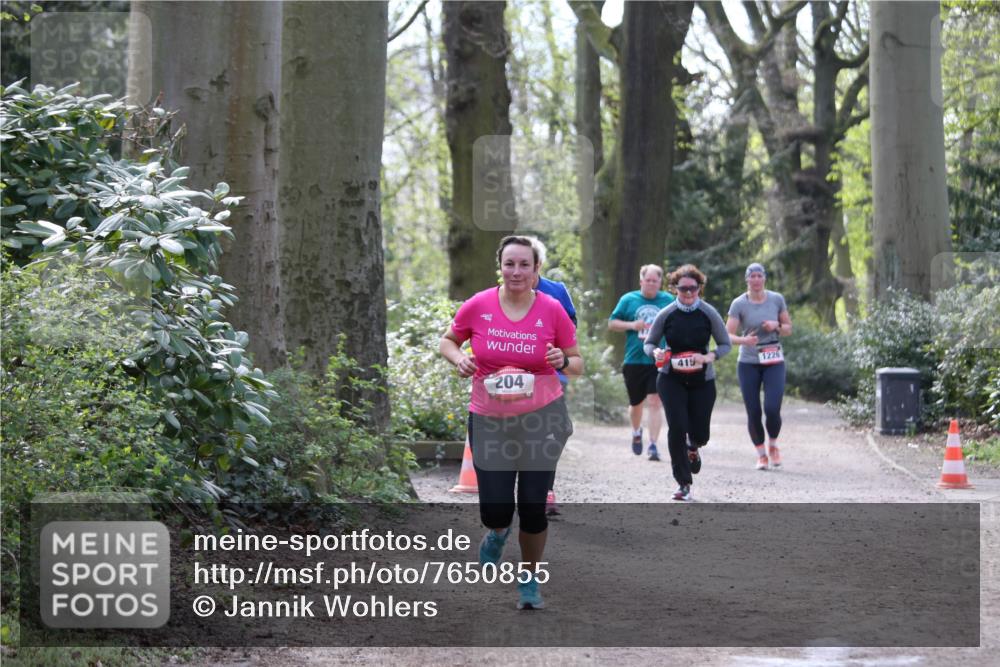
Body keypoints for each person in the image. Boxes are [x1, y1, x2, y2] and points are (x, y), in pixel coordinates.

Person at [439, 235, 582, 610]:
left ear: (536, 270)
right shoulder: (479, 304)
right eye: (510, 264)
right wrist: (459, 359)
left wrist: (562, 361)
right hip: (490, 419)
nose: (516, 271)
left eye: (524, 265)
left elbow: (577, 362)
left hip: (542, 417)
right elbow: (448, 341)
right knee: (496, 510)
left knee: (533, 506)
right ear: (500, 267)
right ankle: (497, 532)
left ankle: (529, 580)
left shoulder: (552, 309)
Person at [644, 264, 731, 501]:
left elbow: (725, 344)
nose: (689, 293)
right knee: (677, 427)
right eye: (683, 289)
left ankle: (693, 446)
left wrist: (710, 356)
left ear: (700, 288)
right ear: (675, 288)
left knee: (700, 434)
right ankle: (683, 483)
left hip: (703, 380)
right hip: (671, 379)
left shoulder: (708, 313)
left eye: (693, 288)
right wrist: (655, 353)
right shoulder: (667, 313)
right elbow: (649, 343)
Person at [525, 237, 577, 516]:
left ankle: (544, 488)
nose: (521, 272)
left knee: (559, 429)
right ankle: (535, 490)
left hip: (552, 372)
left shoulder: (557, 291)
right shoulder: (500, 294)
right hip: (515, 374)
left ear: (539, 265)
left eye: (528, 265)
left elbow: (571, 326)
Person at [726, 262, 793, 470]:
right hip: (748, 362)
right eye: (752, 276)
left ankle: (773, 445)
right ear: (747, 280)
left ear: (764, 278)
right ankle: (761, 454)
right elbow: (727, 335)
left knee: (772, 408)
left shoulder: (776, 299)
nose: (756, 280)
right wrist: (744, 340)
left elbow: (788, 329)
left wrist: (777, 326)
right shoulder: (739, 304)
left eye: (759, 276)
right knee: (753, 411)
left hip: (773, 360)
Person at [609, 265, 674, 461]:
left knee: (655, 401)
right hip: (634, 359)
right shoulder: (628, 299)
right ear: (641, 281)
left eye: (655, 281)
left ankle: (653, 445)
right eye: (648, 280)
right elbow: (612, 323)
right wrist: (632, 325)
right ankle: (637, 431)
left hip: (658, 358)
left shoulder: (668, 300)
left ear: (660, 283)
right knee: (636, 403)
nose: (651, 284)